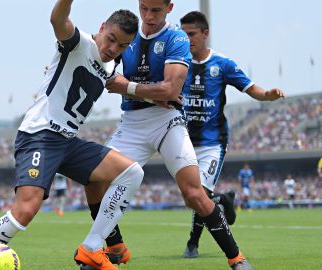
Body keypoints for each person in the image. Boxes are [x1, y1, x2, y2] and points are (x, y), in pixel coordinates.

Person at [0, 1, 141, 270]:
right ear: (102, 28)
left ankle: (92, 247)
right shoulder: (79, 42)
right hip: (40, 135)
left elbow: (125, 85)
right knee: (26, 210)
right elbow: (58, 19)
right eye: (111, 39)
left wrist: (162, 97)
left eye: (122, 46)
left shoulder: (112, 67)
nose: (113, 48)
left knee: (133, 173)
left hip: (68, 141)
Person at [82, 1, 252, 269]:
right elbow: (92, 53)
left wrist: (128, 86)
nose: (148, 16)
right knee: (93, 180)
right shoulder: (127, 33)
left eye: (156, 11)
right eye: (144, 8)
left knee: (194, 195)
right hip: (131, 124)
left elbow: (171, 91)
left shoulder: (176, 38)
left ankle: (237, 259)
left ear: (170, 7)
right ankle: (114, 247)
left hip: (167, 121)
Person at [179, 11, 286, 259]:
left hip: (213, 142)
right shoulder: (178, 62)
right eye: (183, 35)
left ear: (205, 33)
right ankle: (224, 199)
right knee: (191, 197)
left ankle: (192, 244)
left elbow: (250, 88)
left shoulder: (222, 64)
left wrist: (266, 95)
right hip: (182, 141)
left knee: (200, 194)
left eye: (191, 34)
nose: (187, 39)